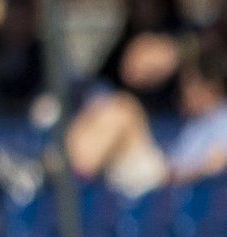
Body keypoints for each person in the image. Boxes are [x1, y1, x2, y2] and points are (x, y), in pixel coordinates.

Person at [67, 39, 227, 192]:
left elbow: (214, 166)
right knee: (104, 106)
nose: (183, 89)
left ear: (212, 87)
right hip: (162, 177)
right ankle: (65, 171)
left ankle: (70, 177)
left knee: (124, 110)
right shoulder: (197, 121)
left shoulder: (222, 120)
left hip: (165, 181)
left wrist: (181, 174)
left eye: (191, 82)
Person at [92, 0, 191, 121]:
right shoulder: (125, 39)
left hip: (177, 119)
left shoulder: (184, 33)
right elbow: (105, 79)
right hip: (138, 120)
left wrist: (173, 52)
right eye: (134, 1)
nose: (140, 8)